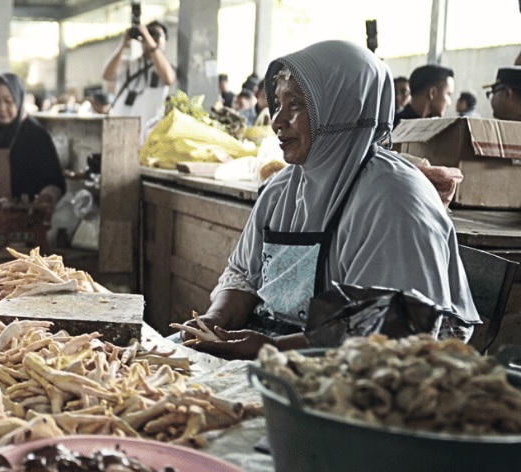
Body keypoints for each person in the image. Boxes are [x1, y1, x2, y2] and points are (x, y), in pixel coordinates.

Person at [179, 40, 479, 360]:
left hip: (370, 373)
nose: (278, 121)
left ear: (341, 108)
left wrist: (274, 349)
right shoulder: (280, 190)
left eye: (295, 104)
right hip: (271, 347)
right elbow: (243, 275)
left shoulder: (396, 201)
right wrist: (214, 321)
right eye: (278, 103)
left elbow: (394, 335)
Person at [0, 73, 66, 205]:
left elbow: (55, 183)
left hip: (20, 218)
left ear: (19, 99)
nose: (1, 108)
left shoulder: (35, 134)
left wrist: (46, 198)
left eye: (8, 101)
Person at [101, 20, 176, 139]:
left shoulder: (166, 67)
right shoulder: (128, 63)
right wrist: (124, 43)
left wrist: (149, 40)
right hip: (119, 129)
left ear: (165, 43)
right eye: (147, 34)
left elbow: (168, 79)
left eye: (155, 34)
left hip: (147, 134)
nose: (150, 37)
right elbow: (107, 76)